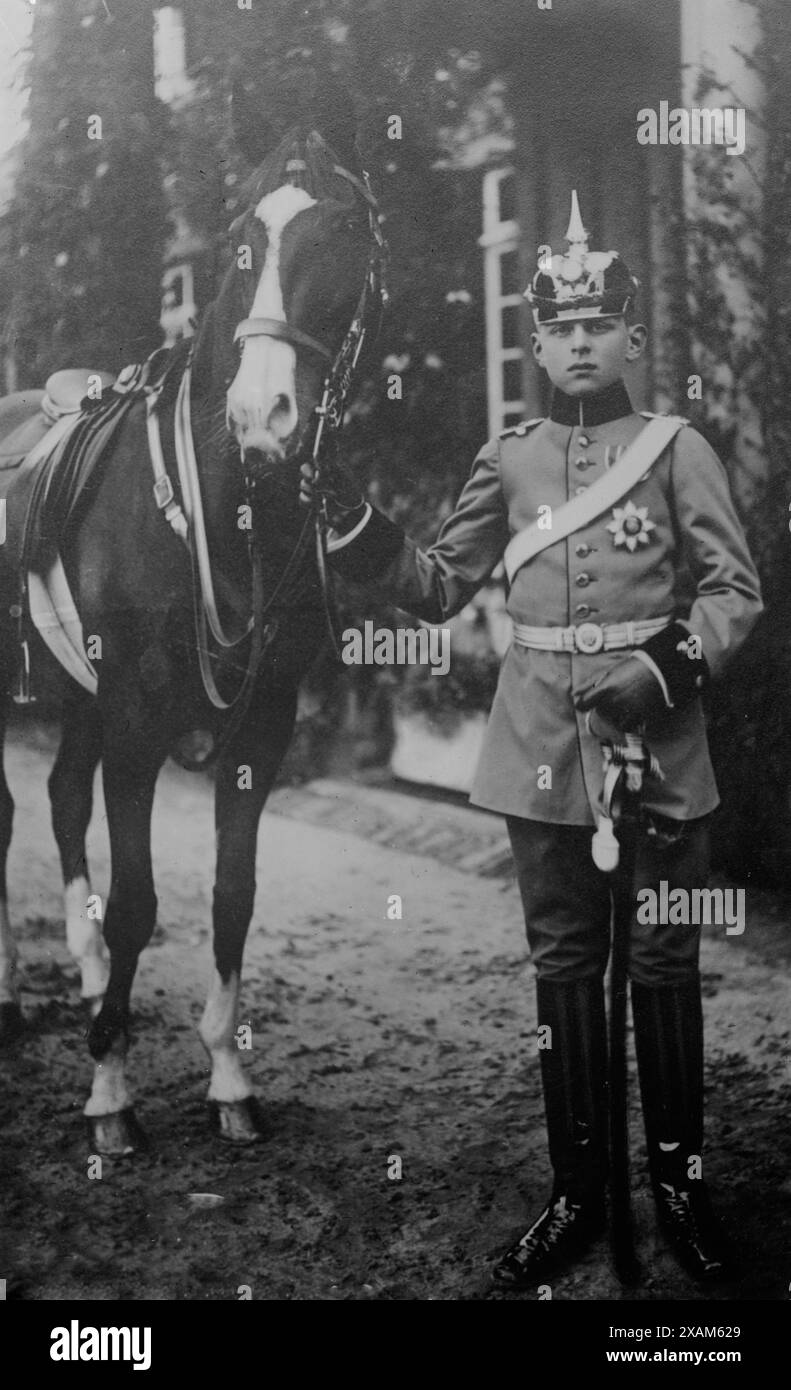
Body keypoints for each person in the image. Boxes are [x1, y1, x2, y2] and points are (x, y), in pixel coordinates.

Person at [299, 192, 763, 1287]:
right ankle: (576, 1192)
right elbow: (434, 585)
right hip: (535, 753)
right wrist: (351, 521)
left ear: (631, 336)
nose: (578, 341)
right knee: (561, 968)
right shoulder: (506, 460)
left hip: (655, 743)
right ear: (539, 342)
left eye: (598, 323)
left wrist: (657, 672)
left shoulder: (673, 447)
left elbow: (734, 591)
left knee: (660, 963)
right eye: (558, 327)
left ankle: (680, 1188)